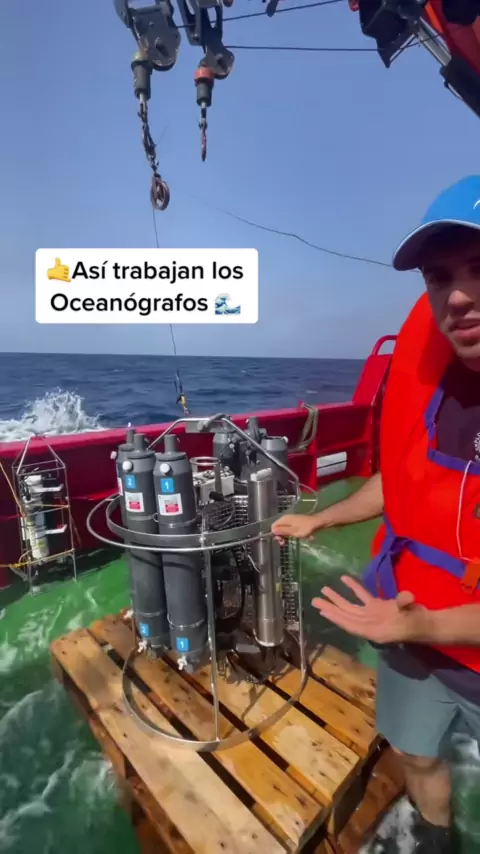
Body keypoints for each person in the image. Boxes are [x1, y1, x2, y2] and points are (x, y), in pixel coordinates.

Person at [272, 175, 480, 853]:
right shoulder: (436, 375)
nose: (458, 296)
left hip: (444, 629)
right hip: (410, 623)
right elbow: (407, 485)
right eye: (439, 277)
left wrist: (426, 622)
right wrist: (320, 519)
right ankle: (434, 834)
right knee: (416, 752)